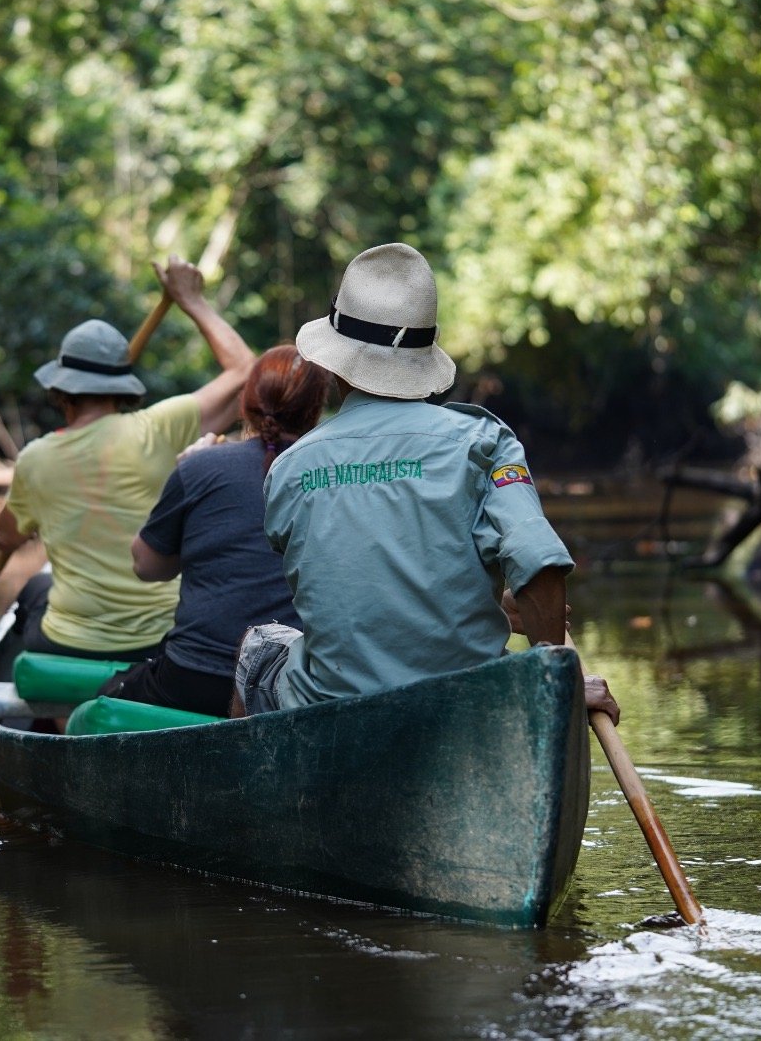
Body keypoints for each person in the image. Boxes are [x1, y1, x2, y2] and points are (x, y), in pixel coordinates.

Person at [236, 242, 619, 723]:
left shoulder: (290, 468)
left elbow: (354, 586)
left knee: (257, 650)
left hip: (334, 709)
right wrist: (556, 686)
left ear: (335, 362)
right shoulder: (484, 442)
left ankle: (261, 793)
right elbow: (538, 562)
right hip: (468, 704)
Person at [0, 256, 255, 663]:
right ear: (122, 386)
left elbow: (4, 538)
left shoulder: (34, 459)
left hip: (70, 641)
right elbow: (246, 372)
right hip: (162, 638)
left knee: (32, 593)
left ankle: (61, 718)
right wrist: (192, 301)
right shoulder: (161, 426)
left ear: (61, 391)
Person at [98, 345, 332, 716]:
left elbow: (148, 567)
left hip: (192, 676)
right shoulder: (334, 476)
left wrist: (186, 472)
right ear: (317, 408)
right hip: (285, 679)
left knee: (105, 696)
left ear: (245, 403)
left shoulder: (201, 466)